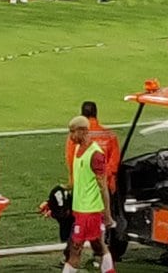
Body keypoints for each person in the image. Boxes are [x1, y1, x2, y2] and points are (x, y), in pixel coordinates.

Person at [64, 116, 115, 273]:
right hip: (81, 209)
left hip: (90, 210)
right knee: (98, 245)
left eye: (72, 132)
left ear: (83, 131)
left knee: (75, 247)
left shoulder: (96, 155)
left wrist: (107, 215)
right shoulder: (78, 149)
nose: (70, 136)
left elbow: (103, 187)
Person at [65, 102, 121, 194]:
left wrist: (73, 180)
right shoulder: (110, 136)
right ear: (96, 114)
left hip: (82, 185)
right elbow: (114, 163)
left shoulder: (74, 137)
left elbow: (71, 160)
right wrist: (107, 177)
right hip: (104, 185)